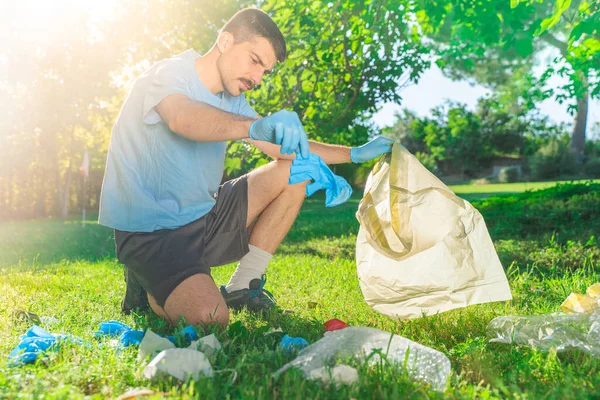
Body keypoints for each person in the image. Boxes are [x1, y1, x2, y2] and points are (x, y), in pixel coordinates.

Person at [98, 7, 393, 328]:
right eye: (255, 60)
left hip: (203, 217)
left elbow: (287, 148)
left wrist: (354, 153)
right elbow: (184, 118)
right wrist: (252, 127)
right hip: (153, 232)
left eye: (265, 71)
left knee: (295, 170)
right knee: (209, 319)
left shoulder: (232, 99)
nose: (257, 78)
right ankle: (147, 287)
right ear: (225, 42)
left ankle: (243, 286)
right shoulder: (169, 74)